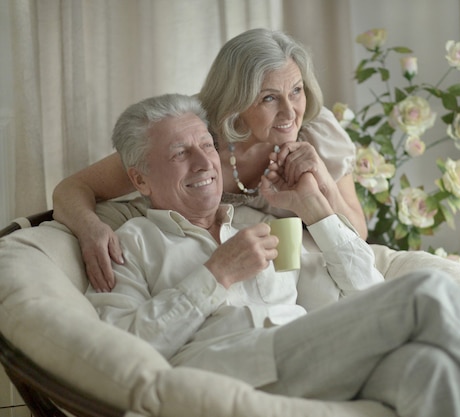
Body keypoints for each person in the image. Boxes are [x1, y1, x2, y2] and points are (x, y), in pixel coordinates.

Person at [85, 92, 460, 417]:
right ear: (141, 179)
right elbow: (122, 350)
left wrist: (313, 210)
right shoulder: (128, 243)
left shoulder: (257, 222)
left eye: (206, 144)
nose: (204, 161)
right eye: (179, 153)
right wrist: (215, 275)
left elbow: (366, 291)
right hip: (226, 371)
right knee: (429, 290)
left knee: (428, 371)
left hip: (310, 358)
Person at [53, 28, 365, 292]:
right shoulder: (192, 136)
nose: (290, 112)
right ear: (236, 100)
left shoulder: (316, 131)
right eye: (269, 98)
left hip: (282, 280)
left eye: (296, 91)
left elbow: (359, 234)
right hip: (200, 269)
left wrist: (321, 178)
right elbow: (73, 187)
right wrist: (90, 229)